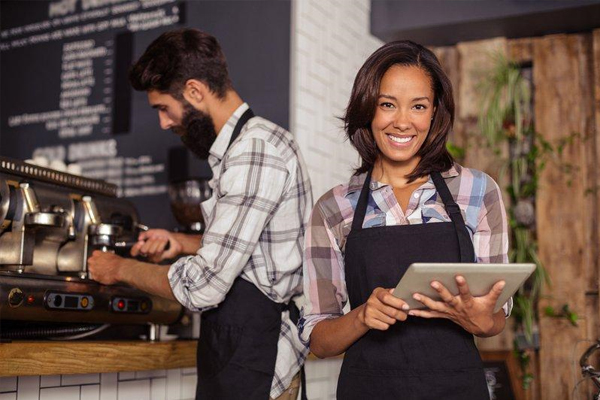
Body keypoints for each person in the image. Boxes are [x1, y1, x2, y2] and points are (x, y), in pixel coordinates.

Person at [88, 28, 312, 400]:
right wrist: (180, 243)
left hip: (259, 361)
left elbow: (203, 286)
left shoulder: (253, 152)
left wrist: (118, 269)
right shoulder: (250, 146)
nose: (163, 122)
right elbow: (253, 250)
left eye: (163, 107)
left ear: (194, 91)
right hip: (242, 353)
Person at [299, 40, 511, 399]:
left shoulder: (477, 192)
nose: (402, 121)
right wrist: (363, 316)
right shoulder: (334, 208)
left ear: (434, 113)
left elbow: (497, 316)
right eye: (387, 105)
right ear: (368, 109)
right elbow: (321, 340)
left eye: (418, 106)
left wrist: (482, 320)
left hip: (457, 389)